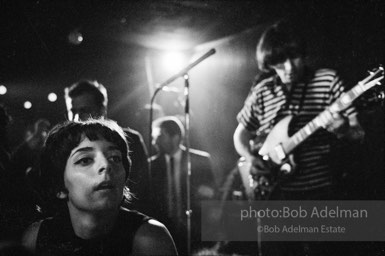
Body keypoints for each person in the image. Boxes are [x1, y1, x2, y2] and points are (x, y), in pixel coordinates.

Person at [231, 21, 366, 255]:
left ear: (303, 53)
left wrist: (344, 130)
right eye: (279, 62)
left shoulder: (327, 81)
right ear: (268, 64)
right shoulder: (263, 91)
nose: (289, 68)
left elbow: (358, 134)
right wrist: (252, 160)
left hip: (319, 195)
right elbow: (239, 136)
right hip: (274, 198)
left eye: (293, 57)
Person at [22, 119, 177, 255]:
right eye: (85, 160)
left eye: (115, 158)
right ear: (59, 186)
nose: (106, 165)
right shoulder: (37, 237)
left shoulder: (151, 239)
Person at [64, 80, 152, 214]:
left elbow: (141, 189)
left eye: (84, 111)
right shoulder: (65, 145)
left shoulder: (130, 140)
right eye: (73, 111)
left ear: (102, 110)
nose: (77, 118)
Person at [150, 116, 217, 254]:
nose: (154, 141)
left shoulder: (200, 160)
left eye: (159, 136)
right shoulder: (151, 166)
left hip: (194, 232)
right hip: (164, 231)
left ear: (175, 137)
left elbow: (212, 198)